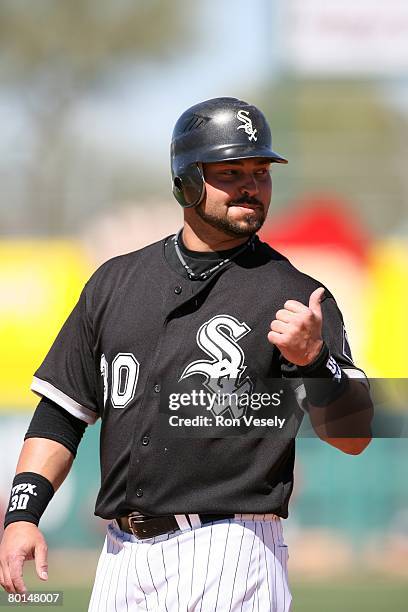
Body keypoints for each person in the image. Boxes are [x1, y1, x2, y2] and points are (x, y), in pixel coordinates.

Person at [0, 97, 373, 611]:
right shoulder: (116, 282)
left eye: (261, 171)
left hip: (232, 549)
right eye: (231, 171)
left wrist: (315, 361)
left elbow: (354, 437)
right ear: (186, 181)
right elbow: (62, 413)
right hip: (120, 558)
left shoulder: (295, 295)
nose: (251, 185)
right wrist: (22, 515)